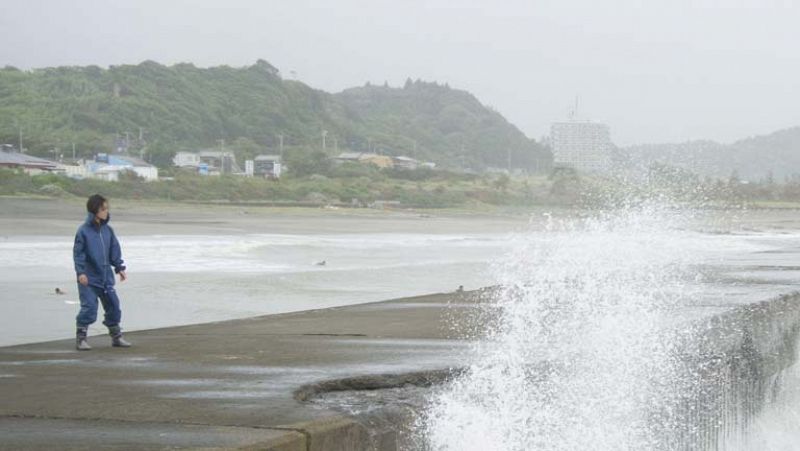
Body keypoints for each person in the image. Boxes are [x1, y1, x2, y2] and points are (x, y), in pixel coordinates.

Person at [73, 194, 131, 350]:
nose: (106, 212)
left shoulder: (108, 230)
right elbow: (78, 254)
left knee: (113, 306)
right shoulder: (83, 231)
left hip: (105, 278)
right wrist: (81, 273)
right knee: (89, 308)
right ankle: (81, 339)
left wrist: (119, 268)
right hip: (88, 279)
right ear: (95, 210)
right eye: (103, 209)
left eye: (107, 208)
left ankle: (116, 337)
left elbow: (114, 250)